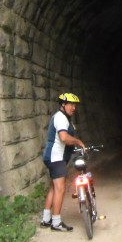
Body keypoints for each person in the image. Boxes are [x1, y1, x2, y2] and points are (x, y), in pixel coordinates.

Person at [40, 92, 86, 231]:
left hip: (53, 157)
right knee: (60, 189)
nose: (74, 108)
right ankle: (56, 222)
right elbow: (64, 138)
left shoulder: (64, 118)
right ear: (63, 105)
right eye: (71, 104)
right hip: (56, 158)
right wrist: (78, 141)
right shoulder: (60, 118)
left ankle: (46, 219)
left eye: (75, 105)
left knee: (54, 187)